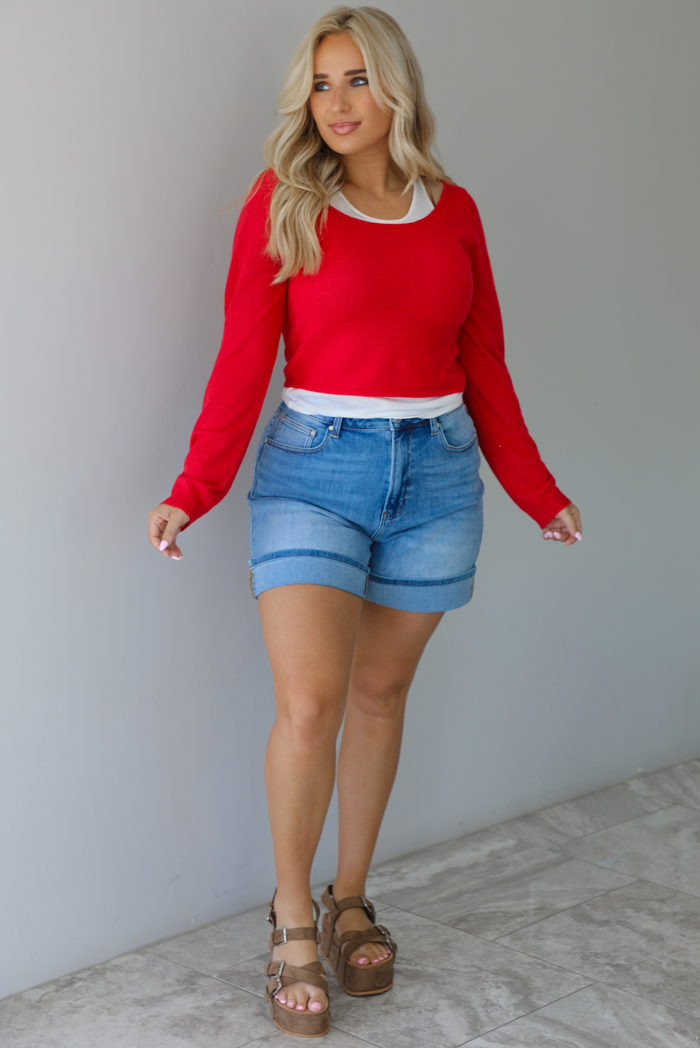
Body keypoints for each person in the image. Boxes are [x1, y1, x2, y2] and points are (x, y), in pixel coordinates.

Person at [148, 5, 582, 1038]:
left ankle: (352, 900)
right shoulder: (285, 201)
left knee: (380, 693)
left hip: (437, 475)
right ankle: (291, 918)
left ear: (395, 90)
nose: (334, 103)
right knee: (310, 703)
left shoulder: (455, 209)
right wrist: (195, 486)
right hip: (314, 468)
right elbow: (243, 359)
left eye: (354, 81)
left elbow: (483, 362)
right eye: (320, 83)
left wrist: (535, 488)